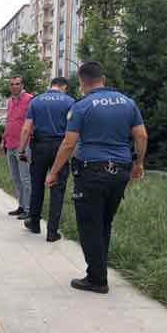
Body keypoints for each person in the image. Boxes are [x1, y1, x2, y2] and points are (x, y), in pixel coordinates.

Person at [46, 61, 148, 294]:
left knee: (89, 224)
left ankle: (97, 279)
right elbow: (141, 135)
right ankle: (99, 268)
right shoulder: (127, 102)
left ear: (82, 82)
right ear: (102, 77)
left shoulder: (82, 106)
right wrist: (138, 163)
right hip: (121, 170)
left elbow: (69, 143)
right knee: (105, 222)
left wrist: (53, 172)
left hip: (92, 171)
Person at [18, 77, 75, 242]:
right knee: (57, 189)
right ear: (64, 87)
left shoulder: (36, 101)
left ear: (51, 86)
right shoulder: (70, 101)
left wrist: (21, 150)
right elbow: (74, 130)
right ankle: (52, 232)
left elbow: (27, 128)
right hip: (61, 147)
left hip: (39, 147)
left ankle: (34, 223)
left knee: (37, 186)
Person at [1, 75, 33, 220]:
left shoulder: (30, 99)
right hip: (10, 145)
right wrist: (3, 142)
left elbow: (32, 123)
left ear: (22, 84)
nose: (14, 86)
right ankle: (21, 206)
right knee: (15, 178)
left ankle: (29, 209)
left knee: (25, 178)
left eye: (17, 84)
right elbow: (9, 122)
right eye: (12, 84)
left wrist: (27, 142)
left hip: (24, 147)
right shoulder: (10, 101)